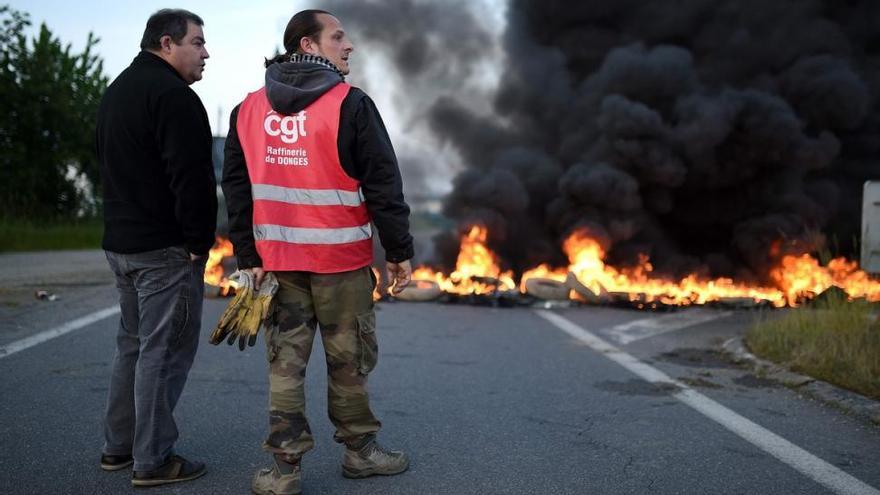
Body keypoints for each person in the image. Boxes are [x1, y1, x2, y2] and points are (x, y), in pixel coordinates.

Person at [222, 9, 414, 495]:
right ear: (308, 45)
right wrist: (398, 250)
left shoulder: (247, 109)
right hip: (341, 265)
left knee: (285, 364)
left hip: (277, 265)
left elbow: (236, 192)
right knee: (348, 361)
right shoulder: (351, 104)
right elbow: (382, 184)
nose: (348, 46)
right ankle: (361, 453)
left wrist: (247, 257)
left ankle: (283, 470)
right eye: (338, 37)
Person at [95, 8, 216, 487]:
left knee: (133, 346)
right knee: (163, 352)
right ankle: (153, 459)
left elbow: (101, 159)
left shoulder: (116, 90)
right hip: (164, 250)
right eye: (198, 42)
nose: (206, 53)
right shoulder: (175, 97)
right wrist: (198, 243)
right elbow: (193, 179)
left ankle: (117, 447)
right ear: (167, 43)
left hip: (120, 245)